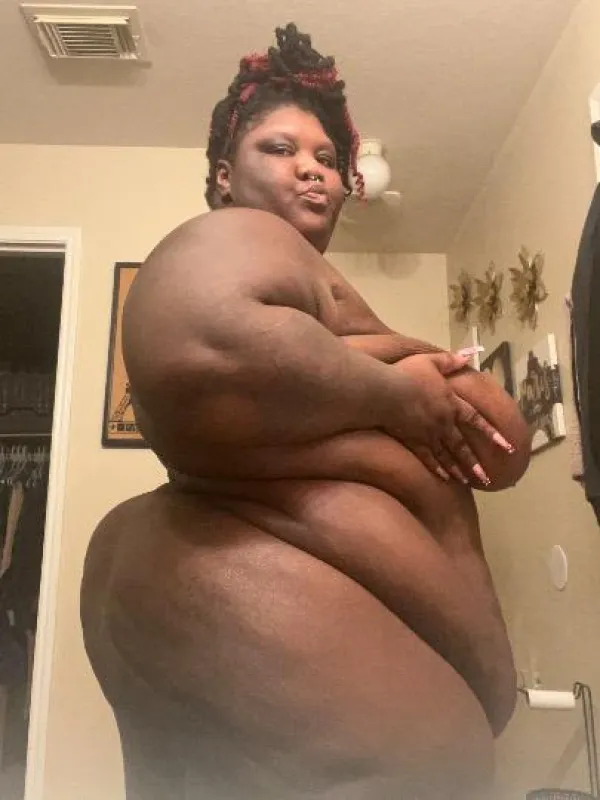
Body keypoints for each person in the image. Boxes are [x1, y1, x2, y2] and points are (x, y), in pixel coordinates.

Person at [81, 24, 532, 800]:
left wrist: (396, 365)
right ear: (225, 177)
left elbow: (497, 446)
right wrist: (398, 390)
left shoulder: (319, 302)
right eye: (280, 149)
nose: (313, 169)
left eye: (326, 157)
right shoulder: (242, 235)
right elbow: (200, 337)